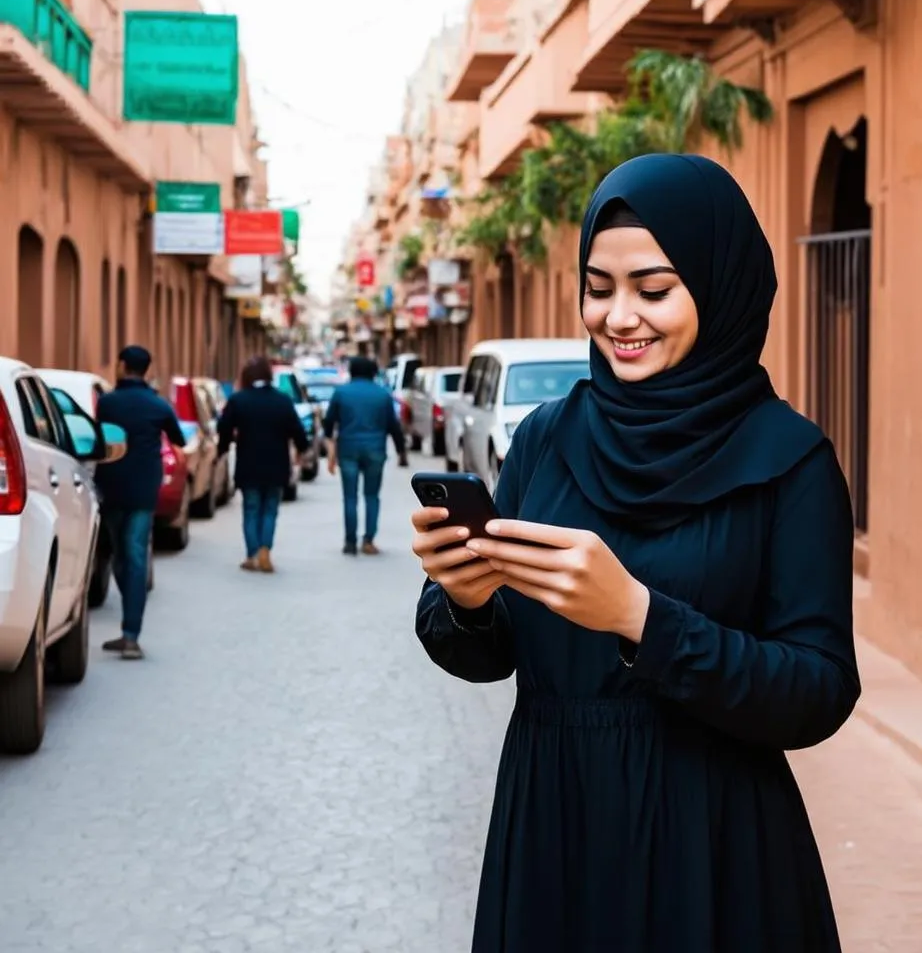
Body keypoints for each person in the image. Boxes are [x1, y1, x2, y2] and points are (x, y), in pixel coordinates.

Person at [411, 154, 860, 952]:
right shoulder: (546, 439)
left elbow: (819, 691)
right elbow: (484, 657)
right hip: (554, 825)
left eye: (654, 290)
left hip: (714, 844)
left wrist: (642, 620)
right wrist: (466, 598)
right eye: (599, 287)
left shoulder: (790, 461)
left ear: (720, 290)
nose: (620, 316)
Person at [95, 345, 186, 660]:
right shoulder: (157, 405)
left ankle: (129, 631)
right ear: (147, 369)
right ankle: (131, 634)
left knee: (121, 555)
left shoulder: (107, 403)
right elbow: (179, 439)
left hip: (113, 487)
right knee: (134, 556)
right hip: (144, 492)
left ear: (121, 366)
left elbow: (98, 439)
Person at [216, 355, 309, 573]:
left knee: (251, 509)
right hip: (277, 466)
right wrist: (302, 450)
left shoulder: (239, 400)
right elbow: (297, 430)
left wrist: (222, 450)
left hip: (249, 465)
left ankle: (252, 554)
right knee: (270, 510)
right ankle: (265, 548)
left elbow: (224, 428)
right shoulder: (282, 400)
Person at [324, 355, 407, 556]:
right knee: (371, 496)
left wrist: (331, 452)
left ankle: (350, 542)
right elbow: (393, 426)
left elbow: (328, 424)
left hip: (348, 449)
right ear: (373, 372)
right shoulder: (382, 394)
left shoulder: (341, 393)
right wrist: (401, 450)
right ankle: (368, 540)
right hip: (375, 449)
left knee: (350, 497)